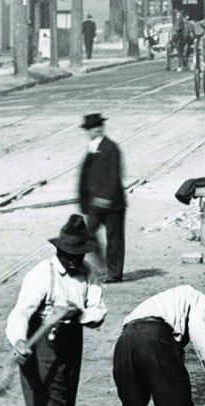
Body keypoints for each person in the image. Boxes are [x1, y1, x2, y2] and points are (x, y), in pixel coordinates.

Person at [6, 215, 107, 406]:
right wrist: (18, 341)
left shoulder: (88, 274)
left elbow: (98, 313)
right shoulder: (41, 275)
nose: (73, 261)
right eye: (68, 255)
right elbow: (20, 314)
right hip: (38, 347)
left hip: (71, 345)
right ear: (58, 250)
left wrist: (77, 313)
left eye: (78, 255)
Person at [78, 113, 126, 283]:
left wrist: (105, 197)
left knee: (115, 239)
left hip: (112, 203)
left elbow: (114, 175)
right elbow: (86, 177)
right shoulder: (93, 148)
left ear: (102, 128)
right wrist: (85, 202)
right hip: (95, 204)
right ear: (88, 131)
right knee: (88, 234)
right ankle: (102, 267)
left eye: (98, 127)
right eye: (92, 128)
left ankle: (114, 273)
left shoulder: (110, 147)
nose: (95, 130)